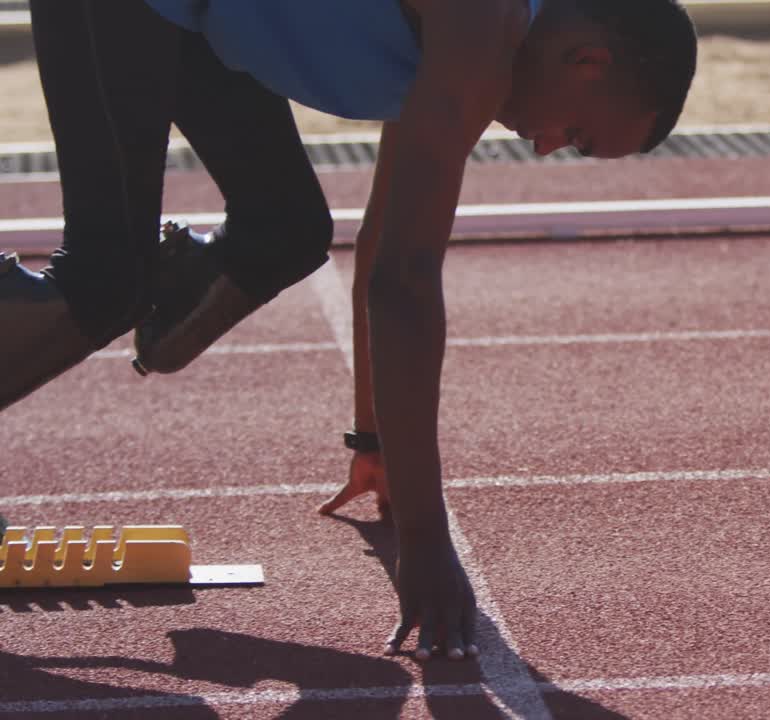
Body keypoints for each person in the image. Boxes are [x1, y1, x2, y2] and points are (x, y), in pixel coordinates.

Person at [1, 0, 698, 660]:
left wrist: (375, 442)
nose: (546, 148)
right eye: (575, 135)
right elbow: (406, 283)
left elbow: (384, 246)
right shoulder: (480, 31)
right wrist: (426, 544)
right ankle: (130, 284)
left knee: (289, 230)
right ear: (588, 61)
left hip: (192, 25)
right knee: (108, 282)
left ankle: (153, 285)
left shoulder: (476, 46)